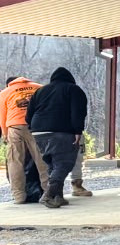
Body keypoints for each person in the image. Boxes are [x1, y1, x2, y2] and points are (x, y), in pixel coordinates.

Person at [26, 66, 88, 210]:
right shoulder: (73, 89)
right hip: (61, 131)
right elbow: (78, 112)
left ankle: (58, 197)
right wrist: (77, 130)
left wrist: (34, 128)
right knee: (64, 163)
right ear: (70, 79)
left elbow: (28, 114)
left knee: (53, 164)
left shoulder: (40, 91)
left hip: (38, 132)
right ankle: (48, 194)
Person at [2, 73, 45, 205]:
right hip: (36, 126)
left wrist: (5, 134)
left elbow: (2, 116)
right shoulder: (39, 87)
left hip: (15, 127)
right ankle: (50, 193)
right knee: (42, 160)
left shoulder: (5, 92)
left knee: (15, 161)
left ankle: (19, 196)